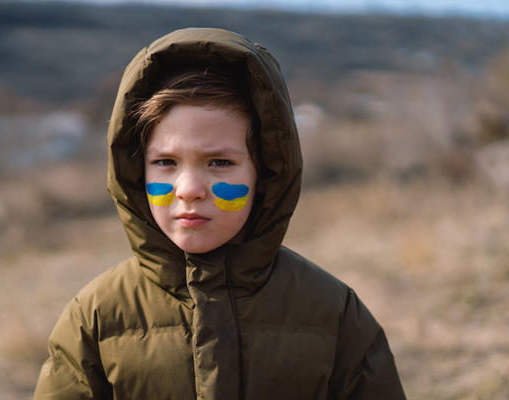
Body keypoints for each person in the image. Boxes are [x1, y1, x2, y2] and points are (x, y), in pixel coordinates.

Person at [33, 27, 406, 399]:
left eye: (220, 162)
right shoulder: (95, 319)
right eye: (165, 162)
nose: (190, 189)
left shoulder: (335, 314)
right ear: (134, 171)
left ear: (265, 172)